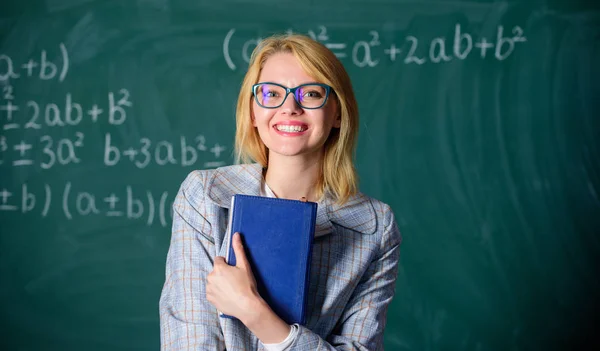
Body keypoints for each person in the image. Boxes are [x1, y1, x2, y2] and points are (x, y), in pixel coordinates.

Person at [159, 33, 402, 350]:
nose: (290, 107)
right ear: (253, 112)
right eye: (271, 94)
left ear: (338, 113)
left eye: (311, 94)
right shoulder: (206, 196)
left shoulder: (374, 226)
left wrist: (255, 313)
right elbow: (188, 340)